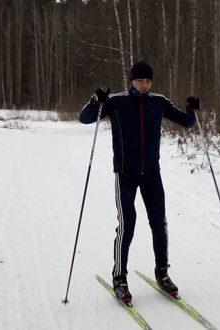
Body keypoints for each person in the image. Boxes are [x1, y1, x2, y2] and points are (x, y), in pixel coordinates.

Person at [79, 61, 200, 304]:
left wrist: (191, 110)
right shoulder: (116, 102)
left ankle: (162, 273)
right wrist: (95, 100)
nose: (144, 85)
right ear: (131, 80)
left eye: (148, 81)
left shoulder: (159, 102)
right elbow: (85, 119)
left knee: (159, 223)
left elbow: (186, 123)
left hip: (152, 174)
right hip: (125, 173)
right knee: (127, 225)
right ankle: (119, 277)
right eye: (140, 80)